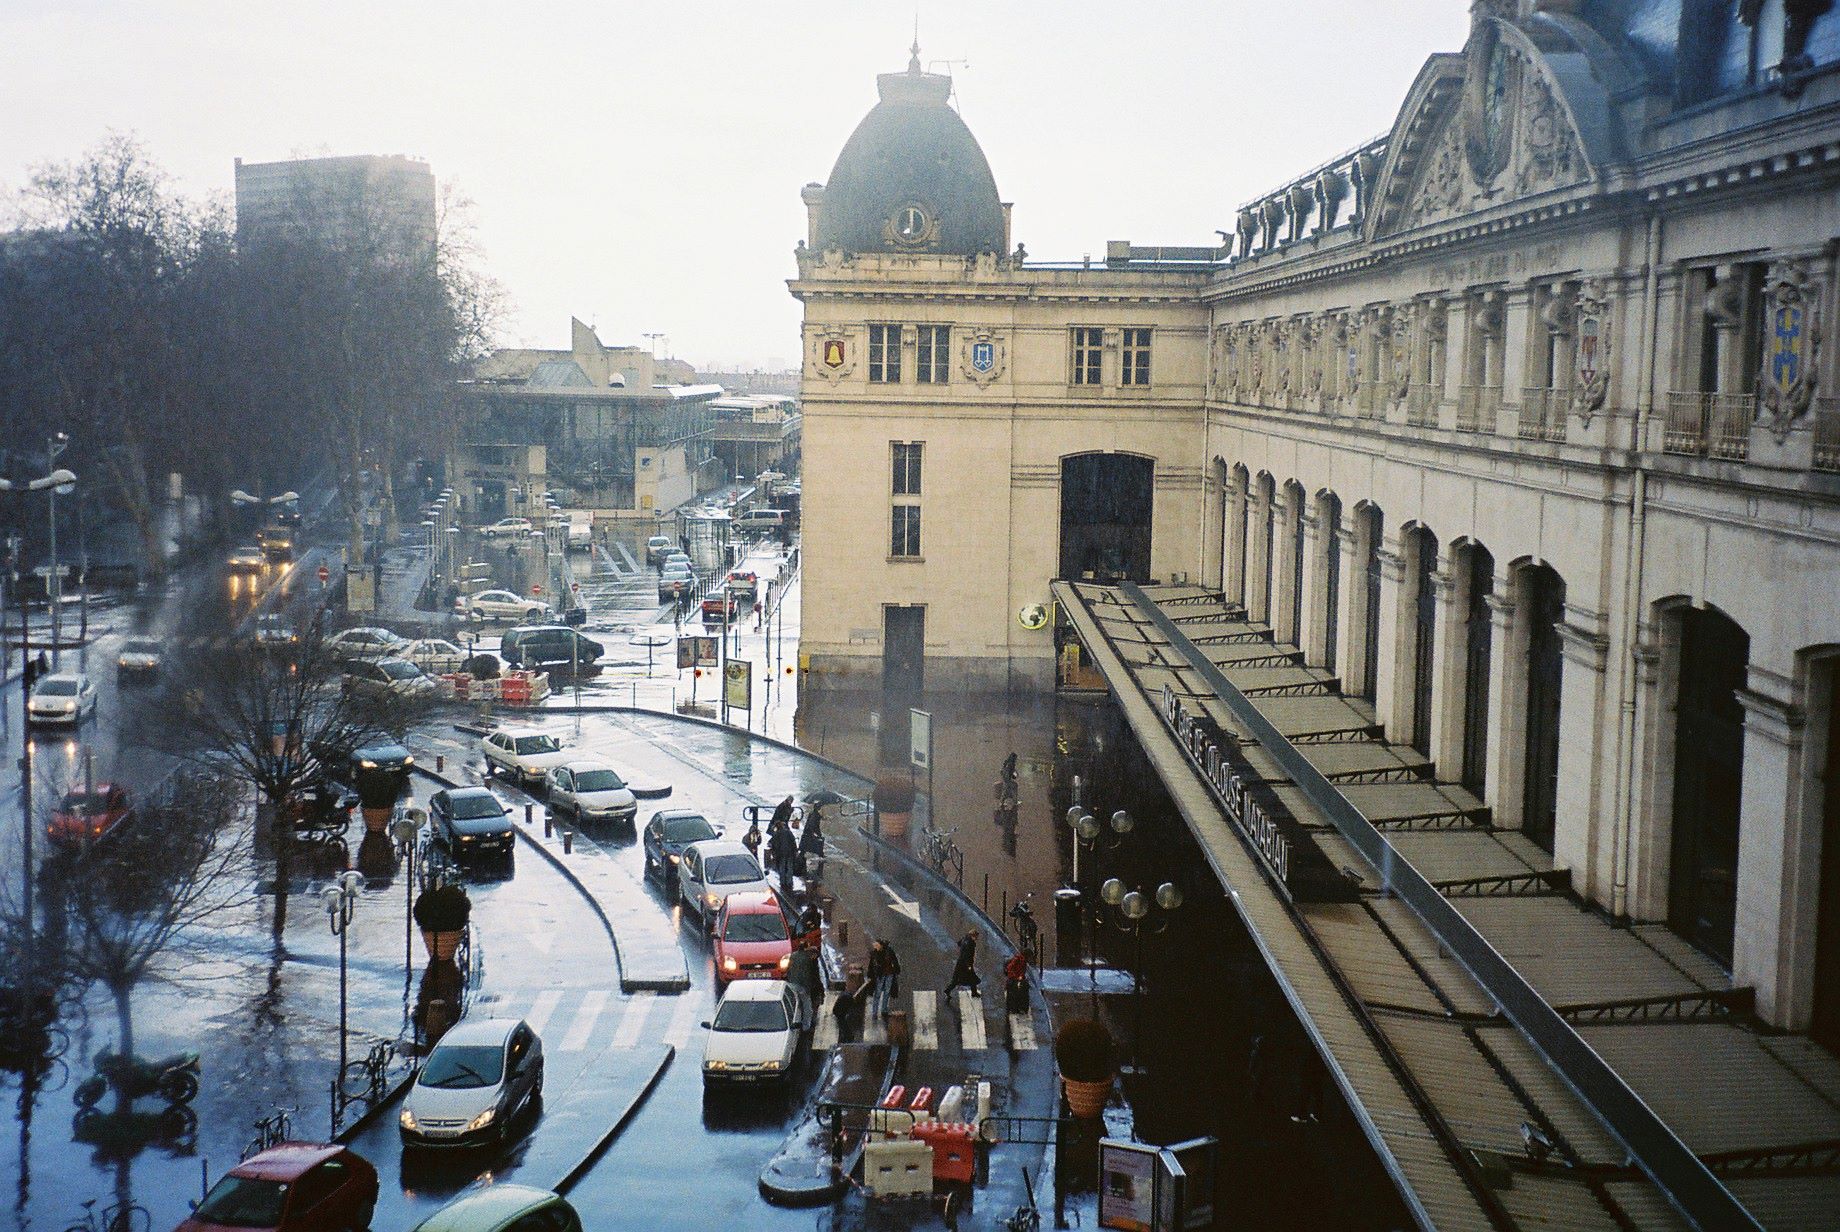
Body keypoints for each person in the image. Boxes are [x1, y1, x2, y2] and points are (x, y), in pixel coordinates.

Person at [785, 943, 823, 1027]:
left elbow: (789, 970)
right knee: (807, 1008)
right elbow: (807, 975)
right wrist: (808, 988)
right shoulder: (808, 960)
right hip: (803, 986)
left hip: (792, 983)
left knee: (795, 1005)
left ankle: (795, 1023)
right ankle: (806, 1026)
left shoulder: (793, 956)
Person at [867, 939, 901, 1019]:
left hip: (889, 974)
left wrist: (896, 969)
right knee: (877, 993)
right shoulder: (875, 953)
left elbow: (894, 960)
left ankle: (884, 1010)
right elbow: (871, 965)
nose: (875, 947)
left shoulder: (889, 951)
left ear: (881, 945)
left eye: (877, 945)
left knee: (887, 992)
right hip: (880, 975)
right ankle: (874, 1012)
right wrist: (870, 974)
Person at [942, 930, 981, 1000]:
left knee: (965, 979)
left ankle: (974, 992)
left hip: (961, 963)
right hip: (965, 965)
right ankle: (948, 990)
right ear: (973, 936)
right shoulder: (970, 943)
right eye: (976, 937)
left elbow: (959, 943)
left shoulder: (965, 938)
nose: (976, 939)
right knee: (962, 979)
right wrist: (969, 965)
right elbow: (967, 956)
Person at [768, 815, 799, 894]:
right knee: (789, 868)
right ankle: (789, 882)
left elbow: (771, 843)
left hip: (781, 854)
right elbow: (793, 842)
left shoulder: (777, 834)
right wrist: (795, 851)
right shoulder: (788, 832)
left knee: (782, 868)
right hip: (789, 853)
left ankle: (783, 882)